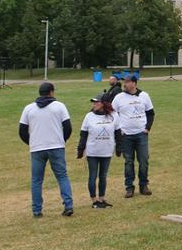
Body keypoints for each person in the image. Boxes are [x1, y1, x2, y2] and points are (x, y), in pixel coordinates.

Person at [19, 81, 73, 218]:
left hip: (37, 148)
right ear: (51, 92)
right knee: (62, 177)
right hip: (56, 146)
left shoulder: (29, 108)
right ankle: (68, 205)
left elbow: (22, 131)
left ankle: (37, 210)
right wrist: (62, 140)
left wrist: (31, 142)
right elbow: (68, 127)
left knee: (36, 180)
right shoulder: (59, 106)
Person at [77, 93, 122, 209]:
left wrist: (119, 148)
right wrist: (80, 150)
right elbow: (83, 134)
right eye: (94, 102)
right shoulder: (89, 116)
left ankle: (102, 198)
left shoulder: (114, 115)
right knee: (93, 175)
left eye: (97, 102)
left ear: (104, 103)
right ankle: (94, 200)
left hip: (106, 151)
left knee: (103, 176)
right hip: (92, 151)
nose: (94, 104)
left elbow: (118, 133)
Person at [113, 74, 155, 197]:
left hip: (141, 134)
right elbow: (112, 115)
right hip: (126, 135)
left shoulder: (144, 96)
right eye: (124, 82)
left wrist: (147, 128)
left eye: (127, 82)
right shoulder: (119, 97)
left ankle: (144, 185)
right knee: (128, 162)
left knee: (144, 160)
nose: (124, 84)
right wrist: (118, 129)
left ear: (134, 83)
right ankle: (129, 187)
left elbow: (151, 113)